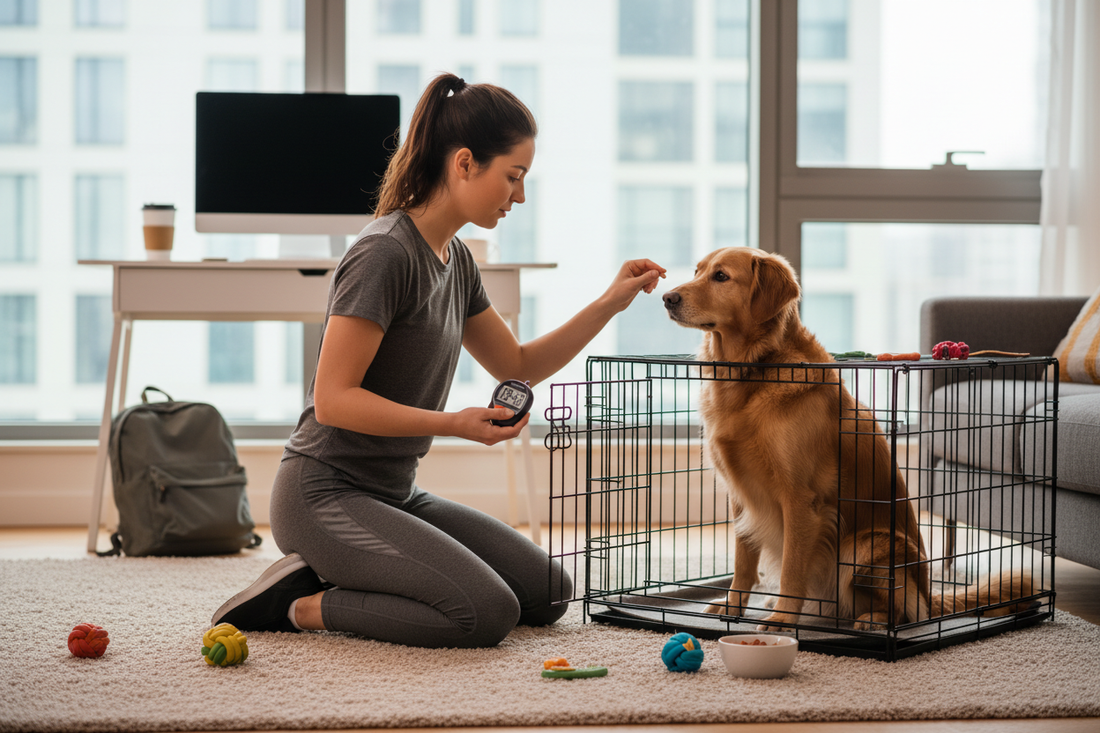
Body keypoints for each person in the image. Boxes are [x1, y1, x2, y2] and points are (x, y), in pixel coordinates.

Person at [211, 72, 666, 649]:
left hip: (394, 492)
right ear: (466, 163)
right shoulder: (384, 254)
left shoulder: (457, 260)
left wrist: (610, 302)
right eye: (514, 177)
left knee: (548, 592)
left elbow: (516, 363)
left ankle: (352, 572)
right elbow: (333, 400)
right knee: (484, 613)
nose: (519, 196)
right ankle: (297, 603)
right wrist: (451, 424)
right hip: (322, 494)